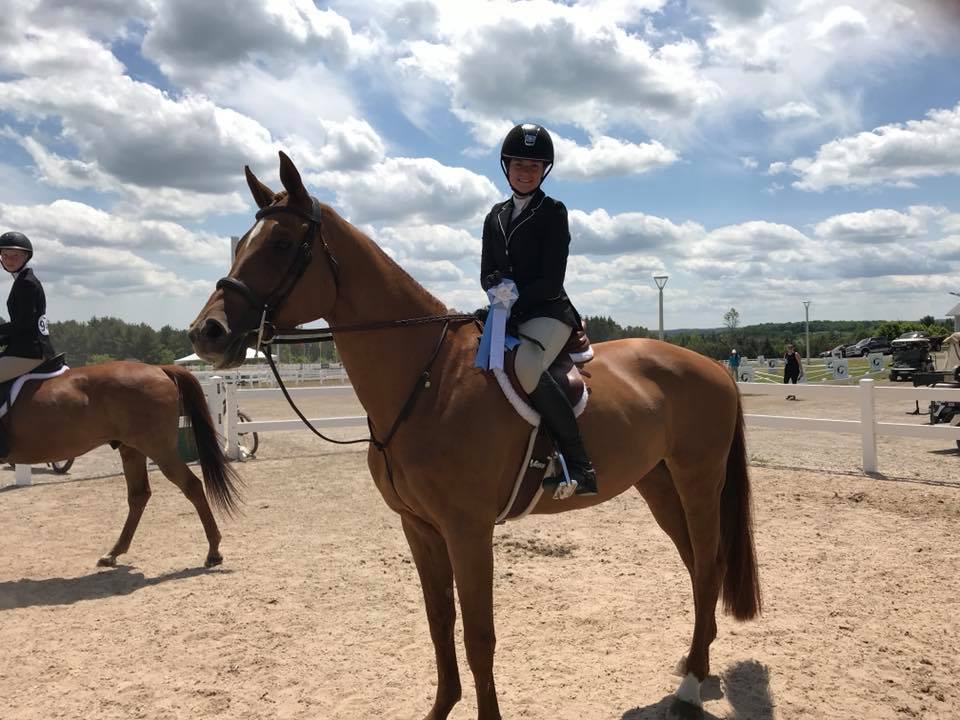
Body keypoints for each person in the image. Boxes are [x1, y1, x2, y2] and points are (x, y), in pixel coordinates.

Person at [479, 123, 596, 495]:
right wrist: (495, 290)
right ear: (507, 167)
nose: (525, 172)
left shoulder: (553, 211)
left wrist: (513, 305)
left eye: (534, 166)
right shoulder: (494, 215)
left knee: (526, 364)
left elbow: (551, 279)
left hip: (548, 311)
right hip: (506, 311)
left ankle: (579, 464)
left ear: (543, 170)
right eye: (519, 164)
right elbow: (486, 272)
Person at [0, 231, 56, 456]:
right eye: (5, 254)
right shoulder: (22, 280)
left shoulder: (26, 283)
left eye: (15, 255)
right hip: (25, 347)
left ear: (26, 257)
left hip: (28, 351)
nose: (9, 259)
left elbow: (24, 324)